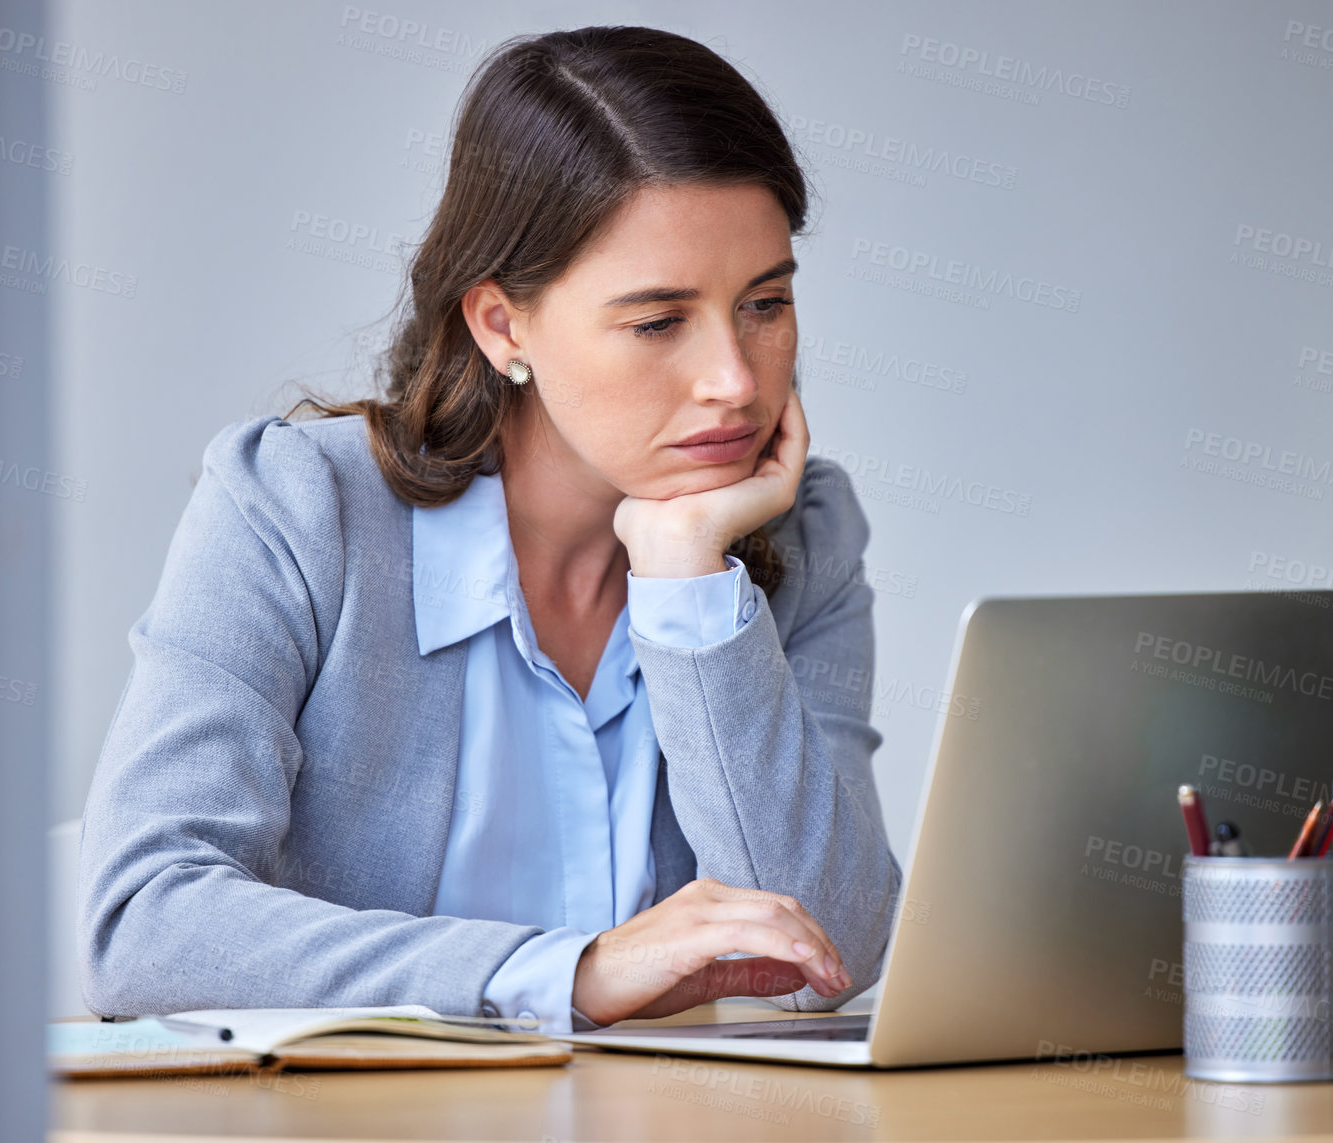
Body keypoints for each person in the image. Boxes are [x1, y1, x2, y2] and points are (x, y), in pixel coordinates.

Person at [77, 25, 900, 1035]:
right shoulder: (297, 510)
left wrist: (689, 584)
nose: (734, 380)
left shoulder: (804, 535)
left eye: (764, 303)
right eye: (657, 322)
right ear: (502, 325)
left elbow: (828, 949)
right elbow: (140, 926)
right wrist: (567, 972)